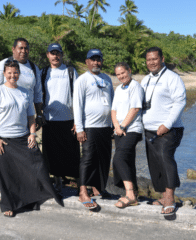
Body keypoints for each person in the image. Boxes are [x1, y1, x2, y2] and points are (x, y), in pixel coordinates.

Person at [0, 59, 63, 217]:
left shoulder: (24, 92)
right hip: (4, 139)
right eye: (9, 73)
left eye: (15, 72)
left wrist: (33, 134)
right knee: (6, 173)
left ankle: (34, 196)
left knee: (37, 163)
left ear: (19, 74)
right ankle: (8, 204)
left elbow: (30, 117)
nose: (12, 75)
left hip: (22, 137)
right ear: (4, 74)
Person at [141, 47, 186, 216]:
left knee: (166, 159)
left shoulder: (172, 78)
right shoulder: (145, 80)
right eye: (148, 60)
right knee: (155, 164)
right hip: (149, 129)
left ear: (162, 58)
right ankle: (162, 196)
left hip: (169, 129)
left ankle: (170, 199)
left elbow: (180, 102)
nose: (151, 62)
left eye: (154, 59)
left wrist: (167, 124)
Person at [73, 49, 114, 209]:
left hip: (106, 127)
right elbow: (77, 105)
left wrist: (113, 125)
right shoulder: (82, 80)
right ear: (87, 62)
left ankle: (98, 188)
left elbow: (113, 102)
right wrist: (79, 128)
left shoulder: (107, 79)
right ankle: (83, 191)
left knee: (103, 159)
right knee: (88, 159)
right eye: (93, 59)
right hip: (89, 126)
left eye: (99, 59)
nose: (96, 62)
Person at [40, 43, 80, 191]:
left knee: (72, 151)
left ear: (62, 55)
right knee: (51, 153)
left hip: (69, 118)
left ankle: (76, 180)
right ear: (47, 55)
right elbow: (38, 95)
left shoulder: (70, 71)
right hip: (49, 119)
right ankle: (57, 181)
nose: (55, 56)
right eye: (52, 53)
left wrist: (78, 120)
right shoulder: (43, 72)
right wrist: (39, 114)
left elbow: (77, 96)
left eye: (58, 53)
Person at [0, 38, 45, 129]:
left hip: (27, 118)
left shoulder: (34, 68)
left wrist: (39, 115)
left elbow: (37, 94)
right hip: (5, 118)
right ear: (13, 49)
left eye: (26, 48)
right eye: (21, 48)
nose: (23, 51)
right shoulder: (2, 65)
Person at [111, 62, 144, 208]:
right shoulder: (118, 89)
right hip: (119, 130)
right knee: (128, 160)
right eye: (118, 74)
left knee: (119, 158)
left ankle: (129, 195)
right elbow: (113, 110)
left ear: (129, 71)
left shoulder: (135, 86)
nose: (121, 76)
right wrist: (117, 126)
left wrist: (123, 125)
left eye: (123, 73)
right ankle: (134, 194)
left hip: (132, 129)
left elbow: (135, 108)